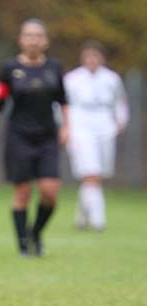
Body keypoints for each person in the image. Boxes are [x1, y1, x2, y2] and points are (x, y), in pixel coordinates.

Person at [0, 18, 68, 256]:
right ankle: (24, 244)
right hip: (19, 136)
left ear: (45, 41)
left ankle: (35, 233)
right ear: (20, 40)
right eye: (28, 35)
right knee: (23, 192)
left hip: (47, 137)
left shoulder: (54, 68)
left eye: (38, 35)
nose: (33, 40)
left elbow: (64, 101)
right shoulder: (9, 69)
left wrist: (67, 127)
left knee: (50, 192)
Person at [64, 41, 129, 231]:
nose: (92, 60)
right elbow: (62, 104)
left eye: (95, 56)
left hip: (104, 125)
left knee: (98, 174)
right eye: (88, 56)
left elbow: (120, 101)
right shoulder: (72, 79)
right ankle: (98, 219)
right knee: (90, 171)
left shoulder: (111, 78)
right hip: (80, 125)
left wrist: (120, 121)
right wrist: (65, 127)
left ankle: (82, 217)